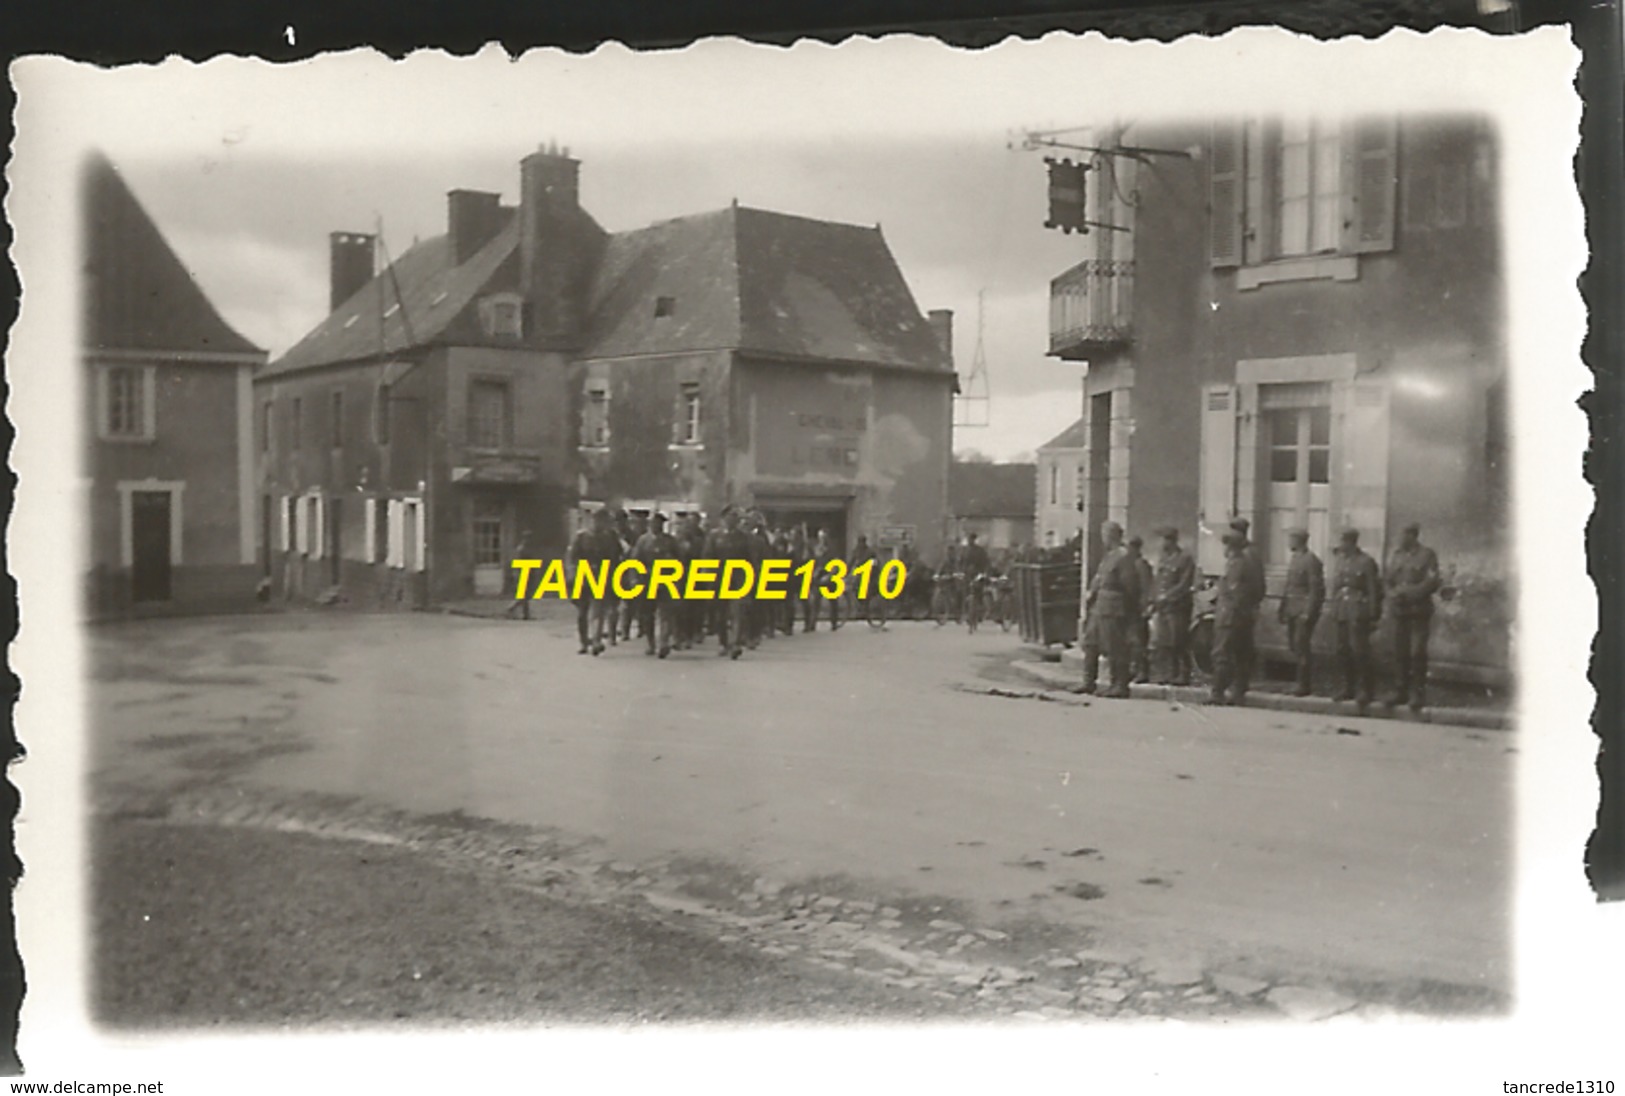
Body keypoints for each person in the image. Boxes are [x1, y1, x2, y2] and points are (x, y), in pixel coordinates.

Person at [1384, 522, 1441, 712]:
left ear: (1412, 535)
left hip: (1418, 611)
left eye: (1402, 535)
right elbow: (1388, 580)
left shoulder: (1427, 555)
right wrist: (1392, 594)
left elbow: (1432, 581)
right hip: (1399, 611)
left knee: (1417, 652)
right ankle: (1400, 691)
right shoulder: (1397, 555)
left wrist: (1409, 593)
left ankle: (1417, 693)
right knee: (1399, 651)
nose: (1399, 539)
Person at [1079, 520, 1141, 698]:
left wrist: (1128, 610)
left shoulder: (1123, 557)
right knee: (1090, 643)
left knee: (1115, 647)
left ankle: (1119, 685)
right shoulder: (1109, 556)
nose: (1103, 538)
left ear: (1113, 536)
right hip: (1100, 606)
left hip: (1114, 608)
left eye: (1105, 535)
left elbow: (1130, 586)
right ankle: (1088, 682)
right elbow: (1099, 578)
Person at [1330, 526, 1384, 711]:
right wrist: (1333, 608)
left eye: (1343, 541)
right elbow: (1335, 587)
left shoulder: (1366, 562)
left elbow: (1374, 590)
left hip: (1358, 610)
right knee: (1342, 649)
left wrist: (1373, 614)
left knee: (1359, 651)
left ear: (1351, 542)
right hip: (1342, 610)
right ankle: (1347, 687)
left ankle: (1365, 690)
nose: (1340, 545)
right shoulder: (1340, 561)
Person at [1208, 531, 1263, 705]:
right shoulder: (1248, 563)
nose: (1224, 549)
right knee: (1242, 654)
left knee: (1221, 653)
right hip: (1243, 616)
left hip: (1230, 616)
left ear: (1231, 548)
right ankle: (1238, 692)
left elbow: (1233, 592)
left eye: (1226, 546)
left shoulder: (1236, 565)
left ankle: (1217, 692)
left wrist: (1226, 608)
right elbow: (1256, 590)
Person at [1278, 527, 1326, 697]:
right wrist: (1283, 607)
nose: (1288, 542)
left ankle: (1304, 685)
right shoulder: (1295, 559)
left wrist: (1309, 612)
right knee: (1294, 646)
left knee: (1301, 647)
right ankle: (1298, 682)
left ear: (1299, 540)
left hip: (1303, 612)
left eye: (1291, 539)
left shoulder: (1311, 560)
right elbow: (1289, 586)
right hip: (1292, 609)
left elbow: (1316, 589)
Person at [567, 508, 620, 656]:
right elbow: (572, 558)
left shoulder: (610, 538)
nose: (598, 523)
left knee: (599, 610)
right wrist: (573, 573)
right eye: (595, 520)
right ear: (590, 521)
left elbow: (616, 557)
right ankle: (584, 642)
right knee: (582, 613)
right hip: (583, 577)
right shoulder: (581, 537)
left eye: (601, 521)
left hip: (602, 577)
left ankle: (596, 641)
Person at [1149, 526, 1196, 685]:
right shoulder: (1163, 558)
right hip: (1163, 607)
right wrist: (1154, 599)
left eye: (1164, 539)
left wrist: (1167, 596)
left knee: (1179, 640)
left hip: (1178, 607)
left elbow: (1184, 583)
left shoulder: (1185, 558)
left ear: (1171, 540)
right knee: (1164, 641)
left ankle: (1183, 673)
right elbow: (1158, 581)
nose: (1161, 543)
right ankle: (1168, 673)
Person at [633, 513, 679, 658]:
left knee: (666, 614)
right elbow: (635, 561)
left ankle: (663, 642)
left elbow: (679, 561)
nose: (656, 526)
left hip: (666, 581)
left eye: (659, 523)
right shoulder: (643, 541)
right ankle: (650, 642)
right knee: (647, 615)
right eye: (653, 523)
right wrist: (636, 578)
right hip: (647, 581)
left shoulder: (670, 541)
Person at [1125, 535, 1155, 684]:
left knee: (1139, 641)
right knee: (1132, 641)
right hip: (1131, 608)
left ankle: (1142, 671)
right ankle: (1134, 669)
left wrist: (1145, 608)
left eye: (1131, 547)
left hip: (1139, 609)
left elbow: (1146, 587)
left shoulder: (1141, 565)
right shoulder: (1131, 564)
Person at [809, 528, 843, 632]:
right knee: (816, 600)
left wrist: (830, 574)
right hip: (819, 576)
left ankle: (834, 622)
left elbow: (836, 563)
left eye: (823, 537)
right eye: (820, 537)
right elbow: (815, 562)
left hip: (830, 577)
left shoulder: (832, 549)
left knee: (833, 601)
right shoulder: (817, 549)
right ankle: (812, 623)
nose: (821, 539)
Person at [504, 529, 535, 620]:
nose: (529, 540)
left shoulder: (525, 548)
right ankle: (511, 608)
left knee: (526, 595)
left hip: (526, 572)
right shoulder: (522, 549)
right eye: (528, 538)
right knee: (524, 595)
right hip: (523, 573)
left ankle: (526, 614)